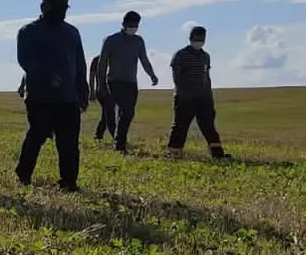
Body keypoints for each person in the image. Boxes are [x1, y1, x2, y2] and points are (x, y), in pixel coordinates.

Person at [15, 0, 89, 192]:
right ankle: (23, 175)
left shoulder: (72, 32)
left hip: (68, 97)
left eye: (63, 7)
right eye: (56, 6)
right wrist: (47, 76)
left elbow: (79, 64)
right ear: (43, 7)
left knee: (69, 143)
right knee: (37, 135)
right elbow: (25, 60)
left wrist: (83, 91)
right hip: (40, 96)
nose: (60, 11)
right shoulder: (28, 31)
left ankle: (69, 181)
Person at [95, 11, 159, 153]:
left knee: (127, 113)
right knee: (122, 112)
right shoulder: (111, 40)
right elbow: (102, 63)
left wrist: (152, 75)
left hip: (131, 83)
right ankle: (119, 144)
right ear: (123, 24)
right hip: (114, 82)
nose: (133, 28)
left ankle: (119, 140)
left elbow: (144, 60)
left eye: (135, 25)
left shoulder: (139, 41)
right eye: (130, 25)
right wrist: (101, 84)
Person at [167, 26, 230, 159]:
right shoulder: (180, 55)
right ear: (190, 38)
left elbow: (206, 77)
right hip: (184, 98)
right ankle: (174, 153)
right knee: (180, 126)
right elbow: (176, 76)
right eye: (196, 39)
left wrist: (209, 97)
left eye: (201, 39)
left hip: (203, 97)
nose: (199, 41)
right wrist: (183, 93)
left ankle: (217, 154)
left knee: (209, 126)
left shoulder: (205, 56)